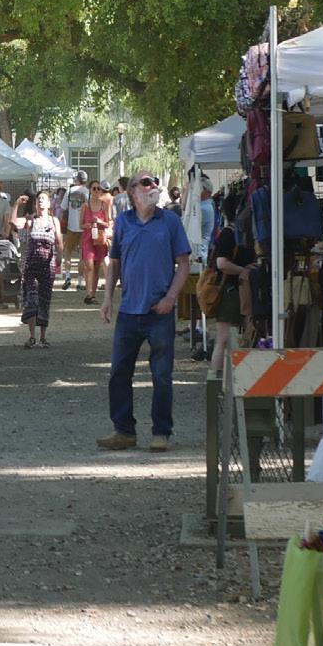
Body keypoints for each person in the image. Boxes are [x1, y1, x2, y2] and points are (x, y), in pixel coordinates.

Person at [97, 172, 191, 453]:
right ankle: (123, 431)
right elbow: (114, 263)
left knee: (161, 375)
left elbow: (184, 264)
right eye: (146, 183)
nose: (153, 187)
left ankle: (161, 432)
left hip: (159, 311)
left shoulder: (170, 221)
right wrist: (107, 299)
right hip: (129, 311)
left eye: (155, 183)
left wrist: (170, 298)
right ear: (133, 192)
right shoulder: (123, 222)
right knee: (118, 373)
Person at [209, 195, 257, 372]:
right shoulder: (230, 234)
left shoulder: (239, 233)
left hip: (239, 290)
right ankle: (218, 377)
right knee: (224, 338)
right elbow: (222, 263)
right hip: (231, 291)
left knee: (233, 337)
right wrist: (244, 271)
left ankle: (224, 375)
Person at [12, 191, 63, 348]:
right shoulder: (30, 220)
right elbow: (13, 223)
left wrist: (60, 256)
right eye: (38, 199)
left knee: (44, 300)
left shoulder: (54, 221)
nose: (40, 201)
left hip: (48, 266)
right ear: (35, 204)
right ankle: (32, 336)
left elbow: (59, 241)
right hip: (31, 266)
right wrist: (16, 204)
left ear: (49, 203)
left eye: (43, 199)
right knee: (32, 299)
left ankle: (43, 337)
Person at [81, 180, 112, 304]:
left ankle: (92, 294)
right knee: (89, 266)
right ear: (90, 190)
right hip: (88, 238)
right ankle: (88, 293)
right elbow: (80, 224)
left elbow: (108, 223)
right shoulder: (85, 206)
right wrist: (86, 225)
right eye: (94, 188)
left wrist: (99, 221)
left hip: (99, 239)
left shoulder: (104, 205)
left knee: (97, 267)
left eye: (99, 188)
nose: (96, 191)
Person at [61, 172, 90, 290]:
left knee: (67, 252)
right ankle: (80, 282)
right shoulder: (88, 192)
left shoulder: (70, 191)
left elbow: (63, 208)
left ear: (77, 180)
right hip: (84, 227)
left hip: (71, 227)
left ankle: (68, 276)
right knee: (82, 255)